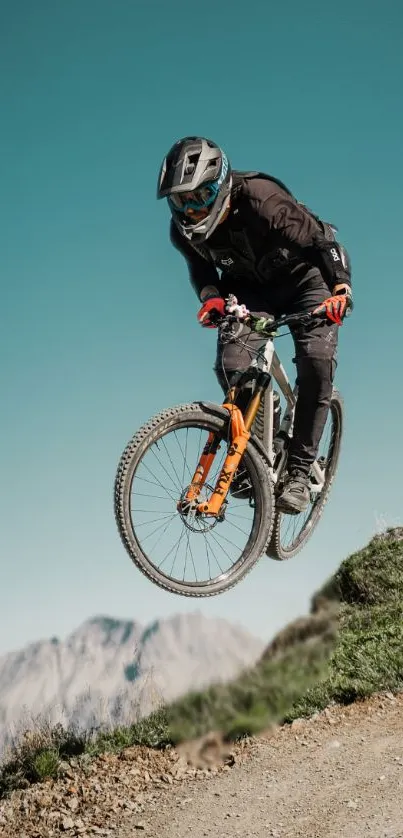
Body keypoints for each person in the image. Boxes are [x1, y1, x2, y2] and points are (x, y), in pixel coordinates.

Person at [157, 136, 353, 514]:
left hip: (305, 284)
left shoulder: (264, 201)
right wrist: (210, 297)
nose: (191, 210)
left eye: (199, 197)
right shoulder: (180, 231)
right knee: (233, 368)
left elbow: (323, 242)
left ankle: (297, 471)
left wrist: (341, 289)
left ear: (221, 185)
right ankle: (257, 448)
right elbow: (201, 270)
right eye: (181, 201)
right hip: (250, 291)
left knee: (315, 362)